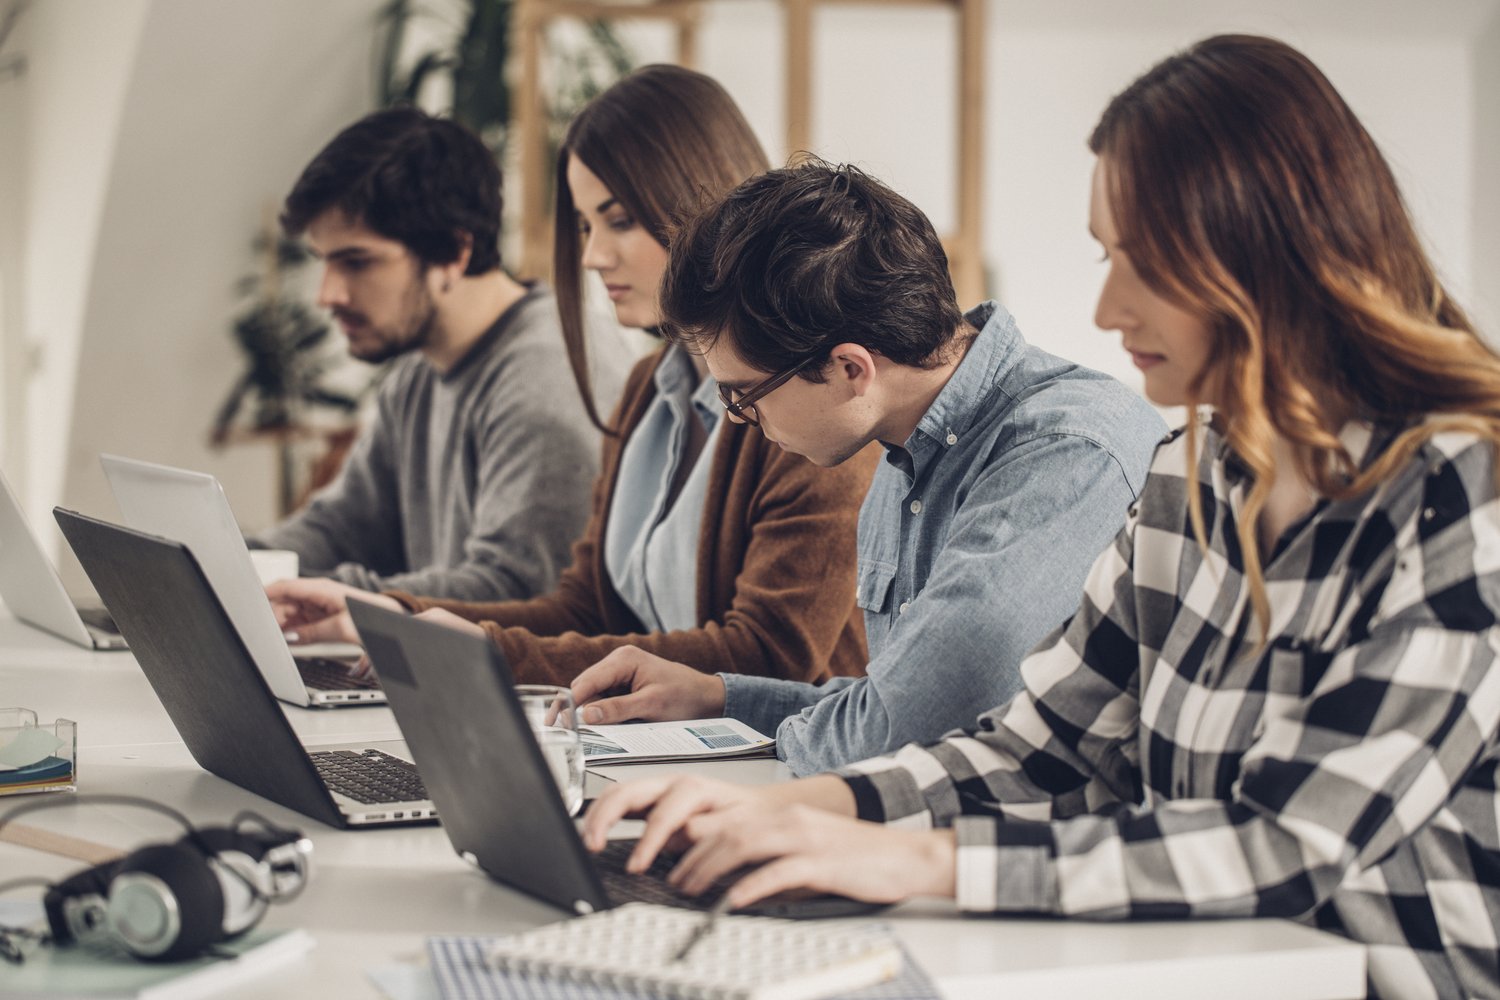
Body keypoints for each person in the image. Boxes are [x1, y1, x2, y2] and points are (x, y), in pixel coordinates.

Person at [579, 35, 1500, 999]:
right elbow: (1044, 748)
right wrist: (808, 810)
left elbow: (1286, 845)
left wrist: (918, 861)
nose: (1105, 308)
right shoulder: (1194, 473)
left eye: (1140, 262)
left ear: (1255, 255)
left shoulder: (1460, 491)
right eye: (1106, 257)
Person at [267, 66, 876, 688]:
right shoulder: (650, 387)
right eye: (585, 225)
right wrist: (403, 617)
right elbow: (584, 608)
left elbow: (772, 657)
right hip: (665, 750)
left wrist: (486, 652)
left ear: (704, 201)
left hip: (779, 765)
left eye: (620, 221)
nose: (591, 256)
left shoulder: (807, 395)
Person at [567, 160, 1166, 774]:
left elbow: (913, 728)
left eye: (743, 396)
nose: (739, 419)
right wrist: (721, 698)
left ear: (852, 370)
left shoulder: (1065, 454)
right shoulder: (905, 450)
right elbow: (888, 703)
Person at [253, 106, 633, 600]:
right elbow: (341, 529)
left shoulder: (550, 378)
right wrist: (233, 564)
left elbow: (519, 591)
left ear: (454, 252)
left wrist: (306, 594)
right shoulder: (421, 369)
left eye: (356, 262)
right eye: (326, 263)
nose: (328, 294)